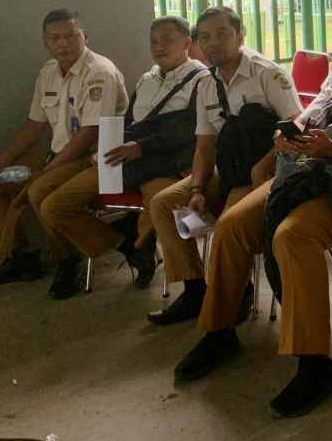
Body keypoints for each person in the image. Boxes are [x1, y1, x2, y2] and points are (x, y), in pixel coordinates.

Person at [172, 20, 332, 417]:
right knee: (232, 225)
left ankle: (315, 363)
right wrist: (283, 139)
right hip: (307, 175)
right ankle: (219, 330)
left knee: (292, 237)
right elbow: (305, 120)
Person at [146, 6, 302, 325]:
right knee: (164, 204)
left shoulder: (266, 73)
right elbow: (205, 144)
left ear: (240, 36)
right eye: (205, 37)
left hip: (265, 171)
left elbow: (298, 125)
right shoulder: (206, 84)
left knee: (231, 217)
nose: (213, 43)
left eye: (222, 34)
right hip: (227, 169)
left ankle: (235, 295)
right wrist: (198, 188)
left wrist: (263, 165)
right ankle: (194, 289)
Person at [38, 16, 206, 298]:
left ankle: (189, 286)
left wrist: (142, 147)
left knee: (161, 204)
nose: (159, 47)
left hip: (164, 165)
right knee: (54, 206)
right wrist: (108, 148)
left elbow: (191, 129)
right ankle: (126, 243)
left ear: (187, 42)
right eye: (154, 41)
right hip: (127, 159)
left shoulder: (200, 79)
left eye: (168, 40)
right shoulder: (147, 78)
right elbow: (130, 122)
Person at [0, 9, 129, 287]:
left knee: (38, 190)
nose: (63, 43)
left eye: (71, 36)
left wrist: (49, 168)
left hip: (92, 158)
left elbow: (91, 132)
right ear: (45, 42)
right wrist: (0, 163)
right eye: (55, 38)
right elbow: (34, 126)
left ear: (85, 37)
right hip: (56, 157)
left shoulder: (99, 72)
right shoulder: (48, 73)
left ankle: (67, 260)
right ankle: (20, 256)